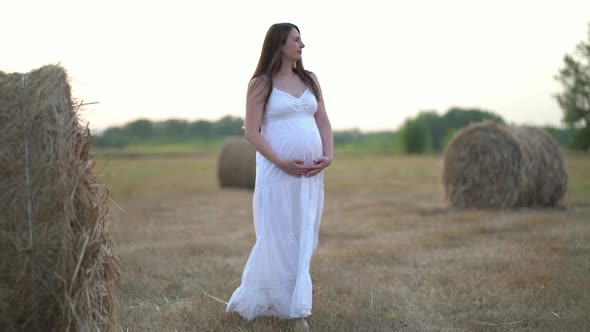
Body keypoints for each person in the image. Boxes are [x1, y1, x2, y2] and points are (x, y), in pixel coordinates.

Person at [226, 23, 333, 330]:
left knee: (303, 235)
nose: (302, 45)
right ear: (280, 44)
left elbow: (323, 119)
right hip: (276, 172)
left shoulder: (310, 80)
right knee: (278, 235)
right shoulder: (261, 84)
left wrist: (328, 155)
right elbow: (252, 132)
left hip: (309, 173)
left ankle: (292, 301)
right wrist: (282, 162)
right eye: (296, 39)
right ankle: (295, 312)